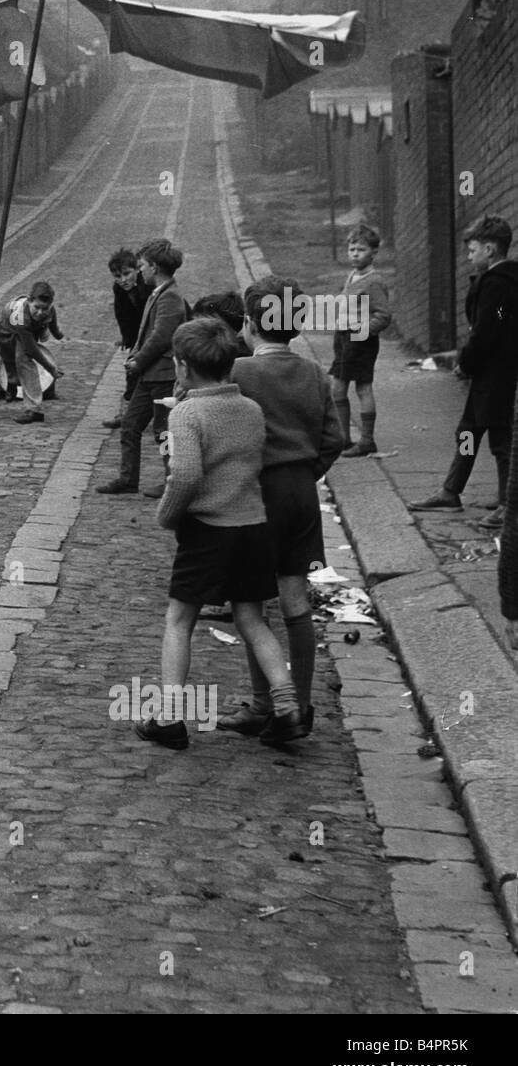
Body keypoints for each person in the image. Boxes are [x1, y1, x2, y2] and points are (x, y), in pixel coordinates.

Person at [136, 317, 306, 750]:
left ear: (181, 366)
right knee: (251, 617)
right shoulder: (250, 409)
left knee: (179, 619)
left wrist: (167, 516)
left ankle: (170, 718)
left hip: (208, 530)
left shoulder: (189, 413)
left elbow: (186, 474)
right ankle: (288, 707)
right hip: (252, 527)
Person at [218, 277, 345, 738]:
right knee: (295, 598)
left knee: (251, 600)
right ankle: (303, 706)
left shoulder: (240, 371)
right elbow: (335, 439)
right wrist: (305, 473)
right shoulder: (313, 372)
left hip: (257, 493)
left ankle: (263, 703)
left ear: (250, 324)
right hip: (302, 494)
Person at [410, 215, 518, 529]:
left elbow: (488, 328)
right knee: (469, 430)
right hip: (492, 371)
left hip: (496, 372)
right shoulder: (504, 284)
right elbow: (496, 320)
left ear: (490, 249)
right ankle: (451, 490)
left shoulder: (497, 284)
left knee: (500, 439)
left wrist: (466, 362)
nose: (469, 257)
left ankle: (509, 505)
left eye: (472, 251)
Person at [96, 238, 188, 496]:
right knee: (130, 425)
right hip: (150, 375)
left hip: (162, 374)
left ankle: (172, 481)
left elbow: (161, 337)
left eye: (144, 265)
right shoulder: (158, 293)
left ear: (155, 267)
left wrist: (138, 360)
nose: (141, 270)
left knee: (163, 432)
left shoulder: (170, 296)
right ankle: (128, 479)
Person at [328, 223, 392, 457]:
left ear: (374, 253)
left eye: (361, 250)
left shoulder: (374, 281)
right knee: (338, 388)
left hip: (360, 341)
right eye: (352, 249)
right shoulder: (352, 276)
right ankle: (344, 439)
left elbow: (383, 316)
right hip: (343, 338)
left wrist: (362, 332)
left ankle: (366, 441)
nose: (355, 254)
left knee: (361, 387)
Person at [0, 281, 63, 424]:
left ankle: (34, 410)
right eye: (36, 307)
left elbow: (52, 319)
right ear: (29, 300)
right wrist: (51, 368)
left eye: (44, 308)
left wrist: (57, 334)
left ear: (50, 305)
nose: (40, 312)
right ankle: (11, 382)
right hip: (7, 326)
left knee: (24, 361)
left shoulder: (48, 309)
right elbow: (32, 350)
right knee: (8, 358)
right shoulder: (20, 316)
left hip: (30, 327)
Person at [103, 248, 149, 429]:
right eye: (117, 276)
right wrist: (127, 339)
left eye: (126, 274)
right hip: (137, 336)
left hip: (153, 334)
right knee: (132, 372)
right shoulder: (119, 289)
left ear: (137, 269)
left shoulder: (147, 285)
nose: (123, 280)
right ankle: (128, 414)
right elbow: (122, 314)